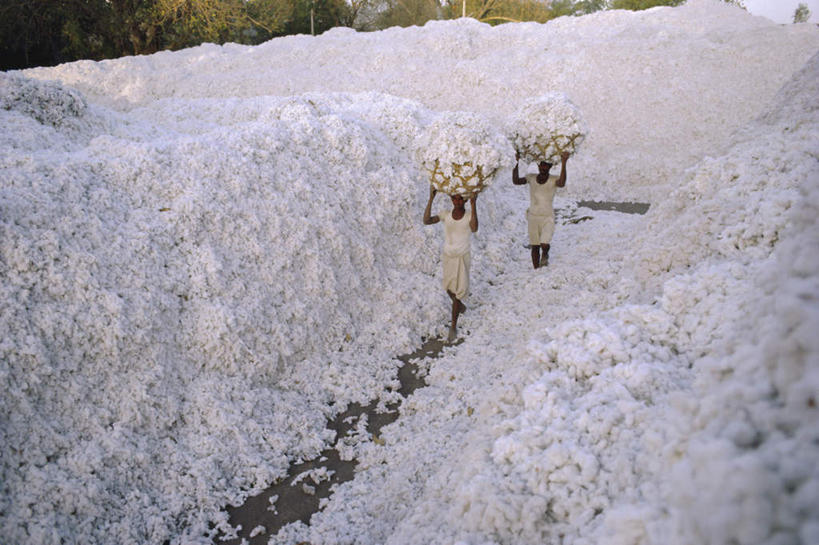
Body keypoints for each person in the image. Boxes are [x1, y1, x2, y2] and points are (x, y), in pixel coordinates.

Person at [423, 186, 478, 343]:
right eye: (455, 198)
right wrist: (431, 198)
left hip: (462, 256)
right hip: (448, 256)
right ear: (451, 199)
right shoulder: (446, 215)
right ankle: (459, 306)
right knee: (448, 288)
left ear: (465, 200)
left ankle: (453, 326)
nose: (457, 201)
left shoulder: (468, 216)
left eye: (461, 198)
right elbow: (426, 221)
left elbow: (474, 228)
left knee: (458, 291)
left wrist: (474, 206)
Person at [512, 150, 569, 269]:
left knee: (544, 243)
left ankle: (546, 253)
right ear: (538, 165)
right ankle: (536, 270)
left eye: (546, 165)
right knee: (535, 246)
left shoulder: (553, 179)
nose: (543, 167)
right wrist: (515, 162)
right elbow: (516, 181)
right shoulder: (531, 177)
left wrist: (564, 162)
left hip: (547, 216)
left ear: (550, 167)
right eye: (541, 165)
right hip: (533, 216)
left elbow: (562, 183)